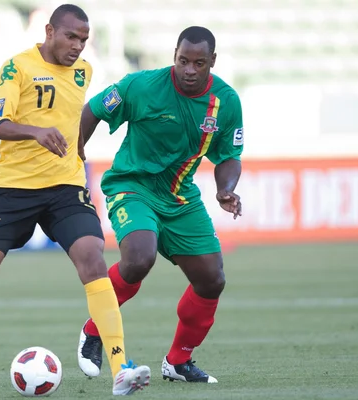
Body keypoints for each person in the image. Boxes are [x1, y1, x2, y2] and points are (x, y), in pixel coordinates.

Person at [0, 4, 150, 396]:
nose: (77, 47)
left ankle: (122, 367)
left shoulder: (84, 72)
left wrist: (78, 147)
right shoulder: (16, 66)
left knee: (93, 260)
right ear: (50, 31)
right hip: (12, 189)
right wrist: (36, 132)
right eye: (71, 37)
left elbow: (78, 116)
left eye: (84, 41)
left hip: (65, 187)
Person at [77, 26, 244, 384]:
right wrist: (76, 154)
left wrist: (225, 189)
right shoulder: (141, 86)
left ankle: (178, 361)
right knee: (139, 258)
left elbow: (229, 155)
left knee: (211, 280)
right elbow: (92, 110)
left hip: (180, 198)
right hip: (132, 186)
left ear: (211, 62)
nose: (188, 69)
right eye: (183, 60)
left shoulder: (225, 102)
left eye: (198, 63)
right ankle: (94, 330)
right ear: (174, 55)